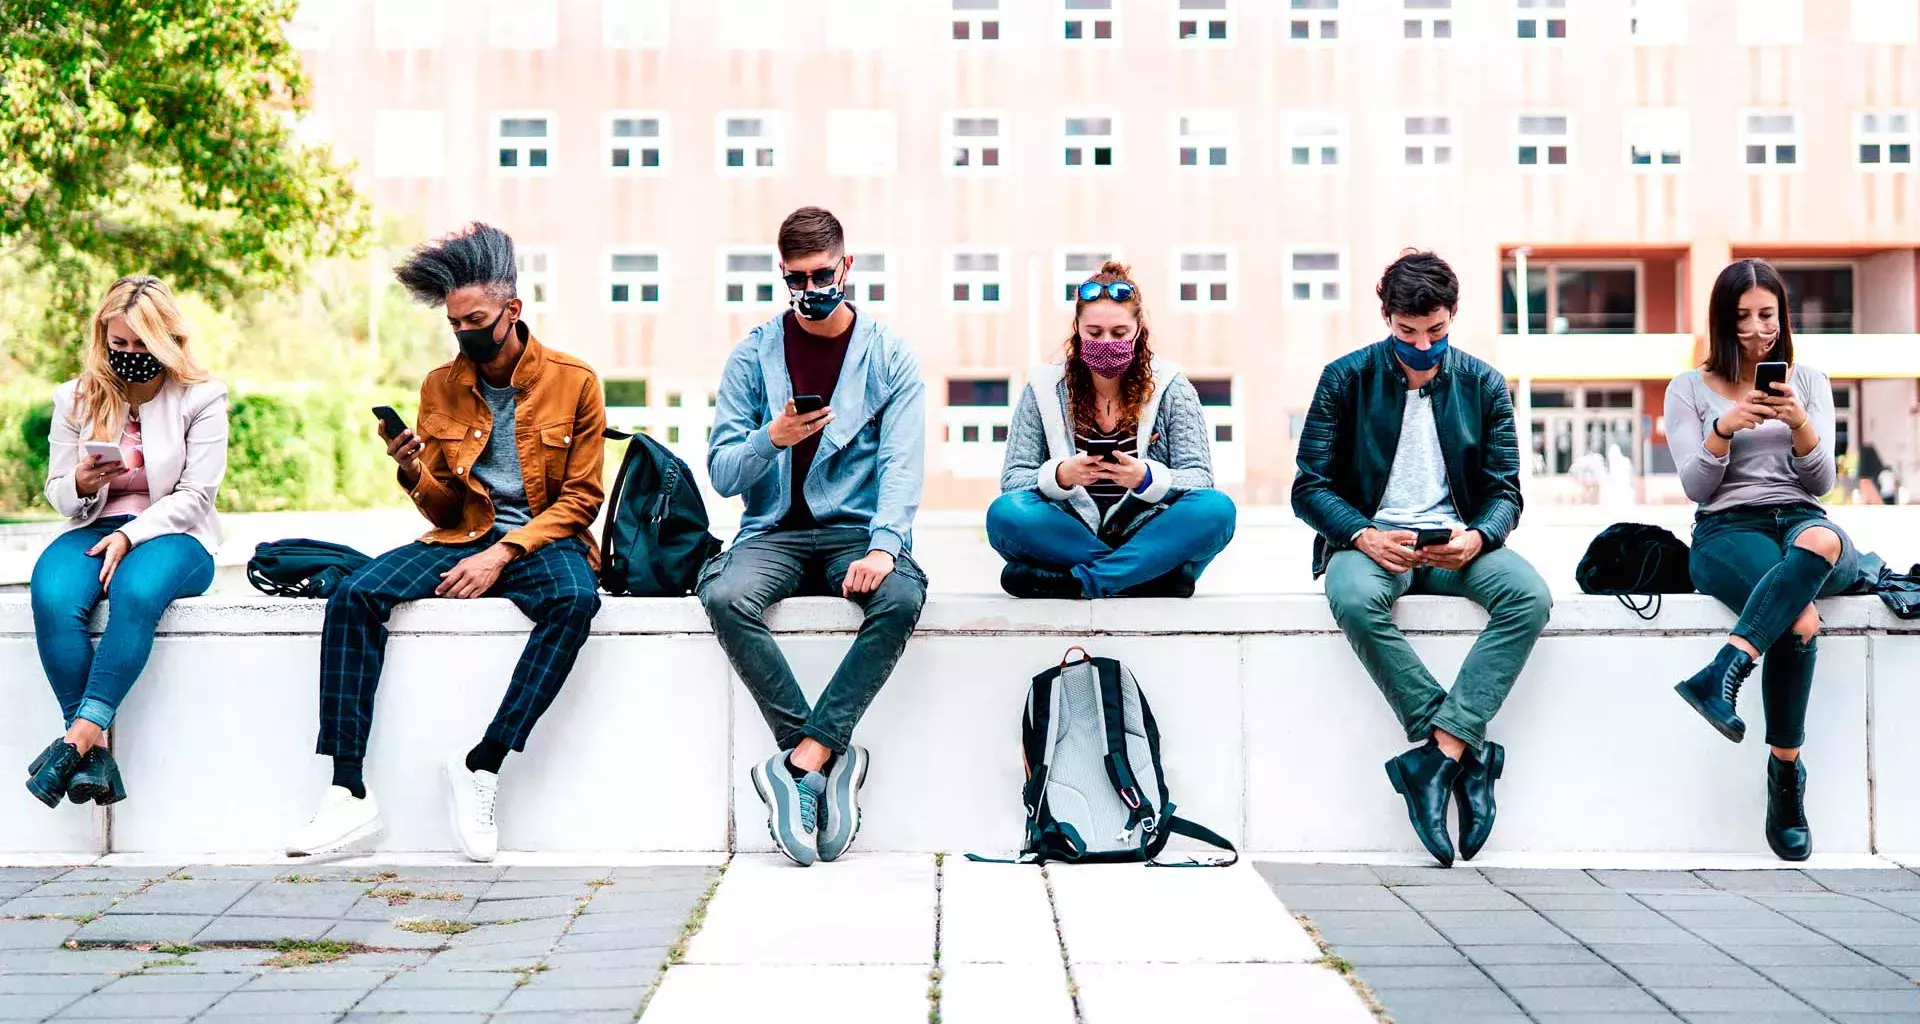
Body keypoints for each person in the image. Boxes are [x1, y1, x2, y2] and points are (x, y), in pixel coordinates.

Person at [287, 223, 606, 863]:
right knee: (354, 595)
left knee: (576, 603)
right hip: (464, 534)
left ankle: (483, 764)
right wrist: (410, 469)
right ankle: (347, 791)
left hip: (543, 540)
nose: (465, 332)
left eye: (477, 319)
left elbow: (582, 498)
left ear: (513, 311)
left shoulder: (575, 381)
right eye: (454, 322)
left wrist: (504, 554)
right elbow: (444, 504)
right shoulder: (441, 386)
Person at [1292, 251, 1552, 868]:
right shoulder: (1344, 378)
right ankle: (1468, 751)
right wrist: (1359, 534)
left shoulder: (1483, 383)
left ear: (1452, 316)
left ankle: (1436, 758)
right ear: (1387, 318)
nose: (1422, 344)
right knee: (1353, 597)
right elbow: (1308, 485)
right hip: (1373, 541)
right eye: (1407, 332)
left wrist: (1481, 535)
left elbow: (1507, 491)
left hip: (1454, 542)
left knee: (1530, 597)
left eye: (1435, 331)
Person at [699, 206, 927, 867]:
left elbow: (901, 465)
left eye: (822, 273)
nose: (811, 289)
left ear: (847, 266)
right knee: (723, 595)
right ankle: (821, 757)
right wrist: (771, 439)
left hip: (855, 531)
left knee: (901, 597)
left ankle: (799, 766)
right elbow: (720, 472)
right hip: (772, 532)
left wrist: (885, 546)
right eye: (795, 279)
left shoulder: (888, 356)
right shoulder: (753, 355)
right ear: (782, 276)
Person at [1666, 258, 1857, 862]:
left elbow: (1822, 482)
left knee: (1825, 539)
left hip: (1801, 520)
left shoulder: (1812, 382)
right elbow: (1698, 487)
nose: (1757, 330)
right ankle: (1785, 779)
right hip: (1729, 527)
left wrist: (1799, 421)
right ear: (1724, 320)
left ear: (1783, 315)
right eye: (1743, 317)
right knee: (1799, 621)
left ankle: (1723, 667)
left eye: (1767, 315)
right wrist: (1723, 428)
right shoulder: (1688, 389)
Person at [27, 276, 228, 808]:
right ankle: (90, 756)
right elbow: (56, 490)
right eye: (120, 345)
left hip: (174, 534)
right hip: (93, 526)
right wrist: (82, 484)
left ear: (167, 342)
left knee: (136, 593)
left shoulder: (202, 398)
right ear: (103, 339)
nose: (131, 355)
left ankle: (75, 740)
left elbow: (196, 494)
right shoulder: (74, 398)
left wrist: (128, 535)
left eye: (143, 346)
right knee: (52, 594)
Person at [988, 261, 1236, 599]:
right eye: (1094, 332)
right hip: (1069, 534)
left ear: (1138, 329)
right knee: (1005, 514)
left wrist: (1145, 479)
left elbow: (1199, 477)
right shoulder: (1043, 388)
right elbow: (1014, 480)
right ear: (1077, 328)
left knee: (1216, 510)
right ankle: (1145, 579)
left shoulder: (1172, 386)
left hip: (1148, 530)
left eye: (1119, 333)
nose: (1106, 341)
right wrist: (1061, 475)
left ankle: (1080, 582)